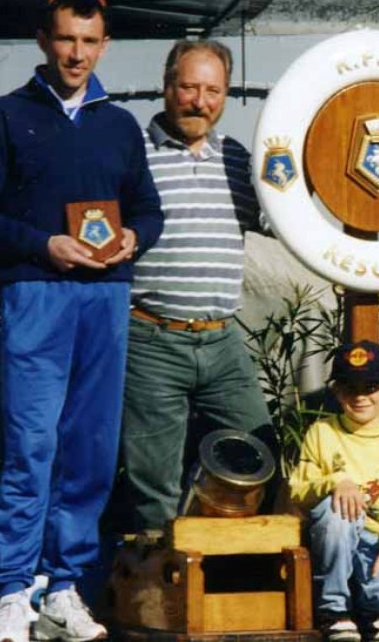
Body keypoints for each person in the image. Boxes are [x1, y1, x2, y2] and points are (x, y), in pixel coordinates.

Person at [0, 0, 164, 642]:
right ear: (44, 40)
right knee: (31, 444)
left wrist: (135, 240)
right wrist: (43, 243)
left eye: (88, 41)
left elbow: (148, 210)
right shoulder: (8, 117)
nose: (77, 52)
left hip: (105, 298)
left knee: (91, 449)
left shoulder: (119, 125)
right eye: (66, 38)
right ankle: (15, 591)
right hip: (37, 293)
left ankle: (64, 588)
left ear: (104, 46)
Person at [114, 39, 278, 533]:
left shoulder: (235, 159)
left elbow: (278, 220)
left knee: (260, 453)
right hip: (151, 339)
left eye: (213, 90)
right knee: (154, 482)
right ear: (167, 87)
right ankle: (157, 597)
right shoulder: (132, 155)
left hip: (222, 339)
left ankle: (241, 578)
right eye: (188, 87)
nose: (199, 101)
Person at [289, 340, 379, 642]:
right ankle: (334, 608)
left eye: (372, 386)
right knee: (341, 509)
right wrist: (334, 482)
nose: (361, 396)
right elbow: (298, 489)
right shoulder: (323, 432)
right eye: (351, 387)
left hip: (376, 539)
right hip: (333, 536)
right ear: (337, 391)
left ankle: (364, 607)